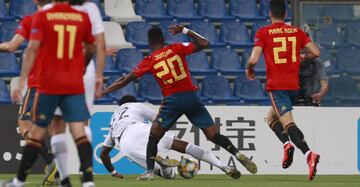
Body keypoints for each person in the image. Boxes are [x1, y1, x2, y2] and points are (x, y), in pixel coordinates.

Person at [101, 25, 257, 181]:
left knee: (154, 137)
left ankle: (149, 171)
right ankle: (237, 153)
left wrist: (105, 91)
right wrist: (184, 30)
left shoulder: (149, 61)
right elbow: (204, 43)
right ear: (163, 39)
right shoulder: (176, 48)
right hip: (191, 97)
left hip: (173, 100)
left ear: (149, 42)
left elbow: (125, 79)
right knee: (213, 135)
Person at [3, 0, 97, 186]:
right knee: (78, 130)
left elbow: (22, 47)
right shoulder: (81, 16)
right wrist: (82, 67)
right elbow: (91, 48)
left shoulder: (37, 18)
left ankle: (31, 175)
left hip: (46, 82)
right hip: (73, 82)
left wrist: (22, 79)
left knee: (32, 129)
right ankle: (86, 181)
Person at [245, 0, 321, 181]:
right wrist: (302, 56)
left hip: (277, 85)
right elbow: (316, 53)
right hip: (293, 86)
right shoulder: (297, 32)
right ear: (285, 14)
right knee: (271, 118)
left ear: (270, 13)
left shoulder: (263, 32)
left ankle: (309, 153)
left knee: (288, 123)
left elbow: (254, 59)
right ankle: (287, 144)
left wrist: (249, 68)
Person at [100, 95, 241, 180]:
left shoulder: (113, 121)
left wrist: (114, 172)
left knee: (168, 175)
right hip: (139, 128)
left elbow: (103, 154)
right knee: (184, 146)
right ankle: (223, 166)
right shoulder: (135, 105)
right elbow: (158, 120)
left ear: (120, 106)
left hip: (125, 144)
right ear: (132, 101)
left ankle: (163, 165)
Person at [41, 0, 105, 185]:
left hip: (57, 69)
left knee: (57, 124)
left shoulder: (48, 10)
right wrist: (99, 75)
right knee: (83, 121)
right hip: (85, 69)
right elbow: (99, 46)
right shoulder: (90, 9)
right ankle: (87, 178)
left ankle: (64, 179)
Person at [0, 0, 59, 185]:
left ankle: (52, 164)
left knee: (25, 124)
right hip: (62, 82)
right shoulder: (64, 22)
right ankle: (56, 175)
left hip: (40, 83)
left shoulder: (31, 20)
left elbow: (11, 46)